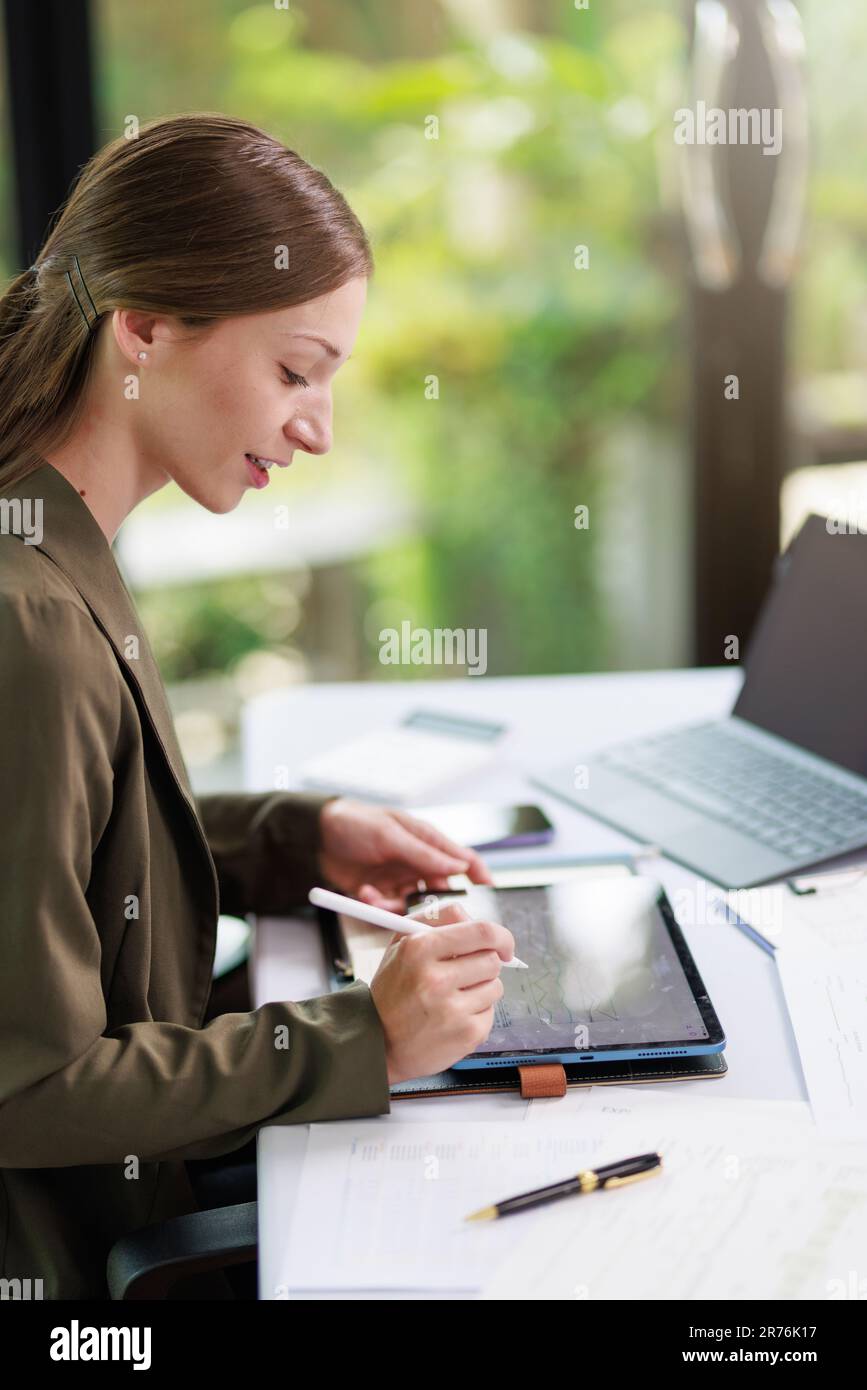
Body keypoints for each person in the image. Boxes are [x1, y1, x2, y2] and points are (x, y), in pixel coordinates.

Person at [0, 113, 515, 1300]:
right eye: (296, 371)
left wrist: (293, 837)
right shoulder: (28, 619)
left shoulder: (53, 531)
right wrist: (360, 1037)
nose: (319, 428)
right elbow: (27, 1084)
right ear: (145, 329)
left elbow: (65, 844)